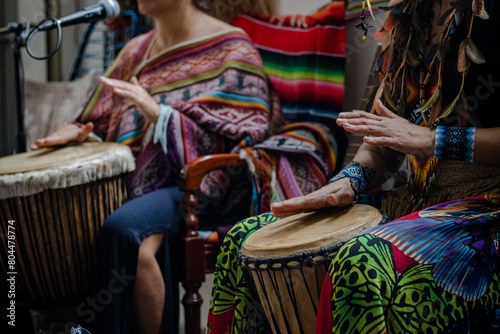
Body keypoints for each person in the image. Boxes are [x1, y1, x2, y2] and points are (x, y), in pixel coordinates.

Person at [208, 0, 500, 333]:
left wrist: (434, 140)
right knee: (241, 240)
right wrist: (349, 180)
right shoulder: (408, 15)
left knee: (360, 261)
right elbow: (383, 142)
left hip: (486, 209)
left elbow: (416, 138)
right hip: (419, 198)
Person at [32, 0, 284, 333]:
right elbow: (98, 116)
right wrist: (77, 131)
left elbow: (247, 138)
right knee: (82, 229)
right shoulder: (136, 51)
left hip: (204, 188)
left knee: (125, 230)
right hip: (136, 186)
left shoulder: (233, 47)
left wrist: (161, 116)